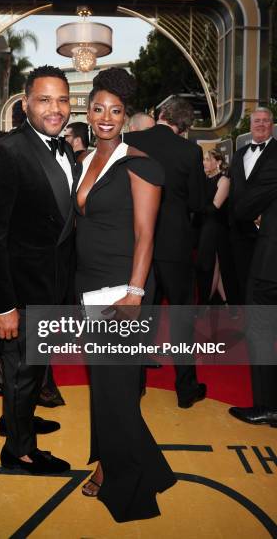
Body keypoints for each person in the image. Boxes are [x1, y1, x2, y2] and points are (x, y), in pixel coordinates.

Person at [76, 68, 176, 521]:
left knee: (115, 388)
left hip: (123, 290)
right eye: (98, 108)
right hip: (90, 287)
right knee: (106, 387)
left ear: (126, 116)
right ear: (88, 110)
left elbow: (145, 235)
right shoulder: (84, 160)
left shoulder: (140, 163)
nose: (105, 117)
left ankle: (127, 485)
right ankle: (141, 466)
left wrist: (135, 292)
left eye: (116, 111)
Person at [0, 66, 76, 474]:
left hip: (50, 287)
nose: (56, 109)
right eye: (45, 100)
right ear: (25, 104)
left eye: (62, 100)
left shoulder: (65, 148)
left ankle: (22, 420)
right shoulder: (6, 152)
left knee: (32, 372)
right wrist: (3, 306)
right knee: (20, 371)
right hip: (20, 292)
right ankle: (18, 452)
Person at [124, 98, 207, 408]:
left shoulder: (129, 140)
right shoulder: (190, 151)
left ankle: (133, 388)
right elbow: (198, 202)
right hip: (176, 246)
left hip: (135, 243)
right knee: (182, 318)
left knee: (137, 317)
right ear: (184, 126)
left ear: (160, 115)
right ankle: (186, 389)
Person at [228, 114, 277, 427]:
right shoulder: (242, 156)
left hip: (270, 263)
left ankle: (268, 406)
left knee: (260, 331)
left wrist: (258, 213)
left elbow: (244, 207)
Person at [229, 107, 277, 303]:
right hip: (240, 229)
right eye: (257, 121)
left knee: (263, 285)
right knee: (241, 278)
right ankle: (246, 324)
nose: (261, 124)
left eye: (266, 120)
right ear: (250, 126)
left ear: (272, 125)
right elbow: (235, 189)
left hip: (267, 230)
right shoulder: (239, 154)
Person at [195, 149, 238, 306]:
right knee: (214, 268)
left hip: (217, 229)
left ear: (218, 162)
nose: (204, 162)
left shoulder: (224, 181)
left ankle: (205, 303)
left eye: (207, 159)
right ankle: (226, 301)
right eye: (204, 159)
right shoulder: (204, 180)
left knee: (211, 267)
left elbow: (215, 207)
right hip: (205, 227)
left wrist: (195, 207)